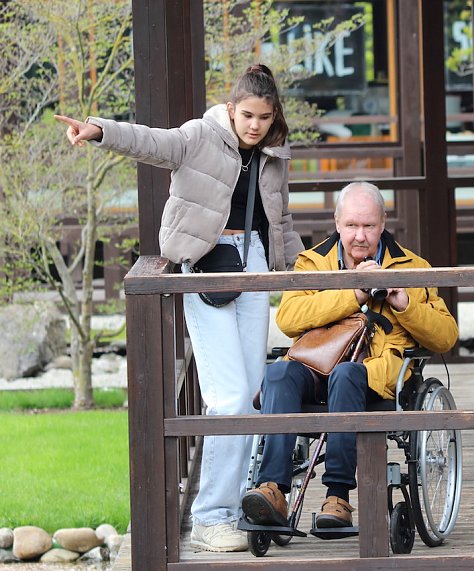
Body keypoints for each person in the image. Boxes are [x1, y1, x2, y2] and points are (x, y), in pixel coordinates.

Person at [55, 64, 304, 552]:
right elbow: (150, 142)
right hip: (207, 263)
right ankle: (212, 516)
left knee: (253, 392)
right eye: (247, 115)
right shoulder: (199, 136)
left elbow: (282, 220)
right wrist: (99, 130)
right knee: (227, 394)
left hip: (255, 263)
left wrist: (309, 273)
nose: (255, 126)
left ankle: (246, 507)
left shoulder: (275, 154)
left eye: (264, 118)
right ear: (231, 110)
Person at [240, 181, 459, 530]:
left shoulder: (412, 267)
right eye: (352, 225)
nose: (360, 236)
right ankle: (272, 490)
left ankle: (338, 495)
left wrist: (403, 303)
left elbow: (446, 336)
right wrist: (354, 292)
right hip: (316, 364)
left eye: (369, 226)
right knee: (278, 374)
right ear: (338, 223)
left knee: (348, 374)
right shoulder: (313, 263)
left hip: (374, 374)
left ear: (383, 224)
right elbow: (288, 319)